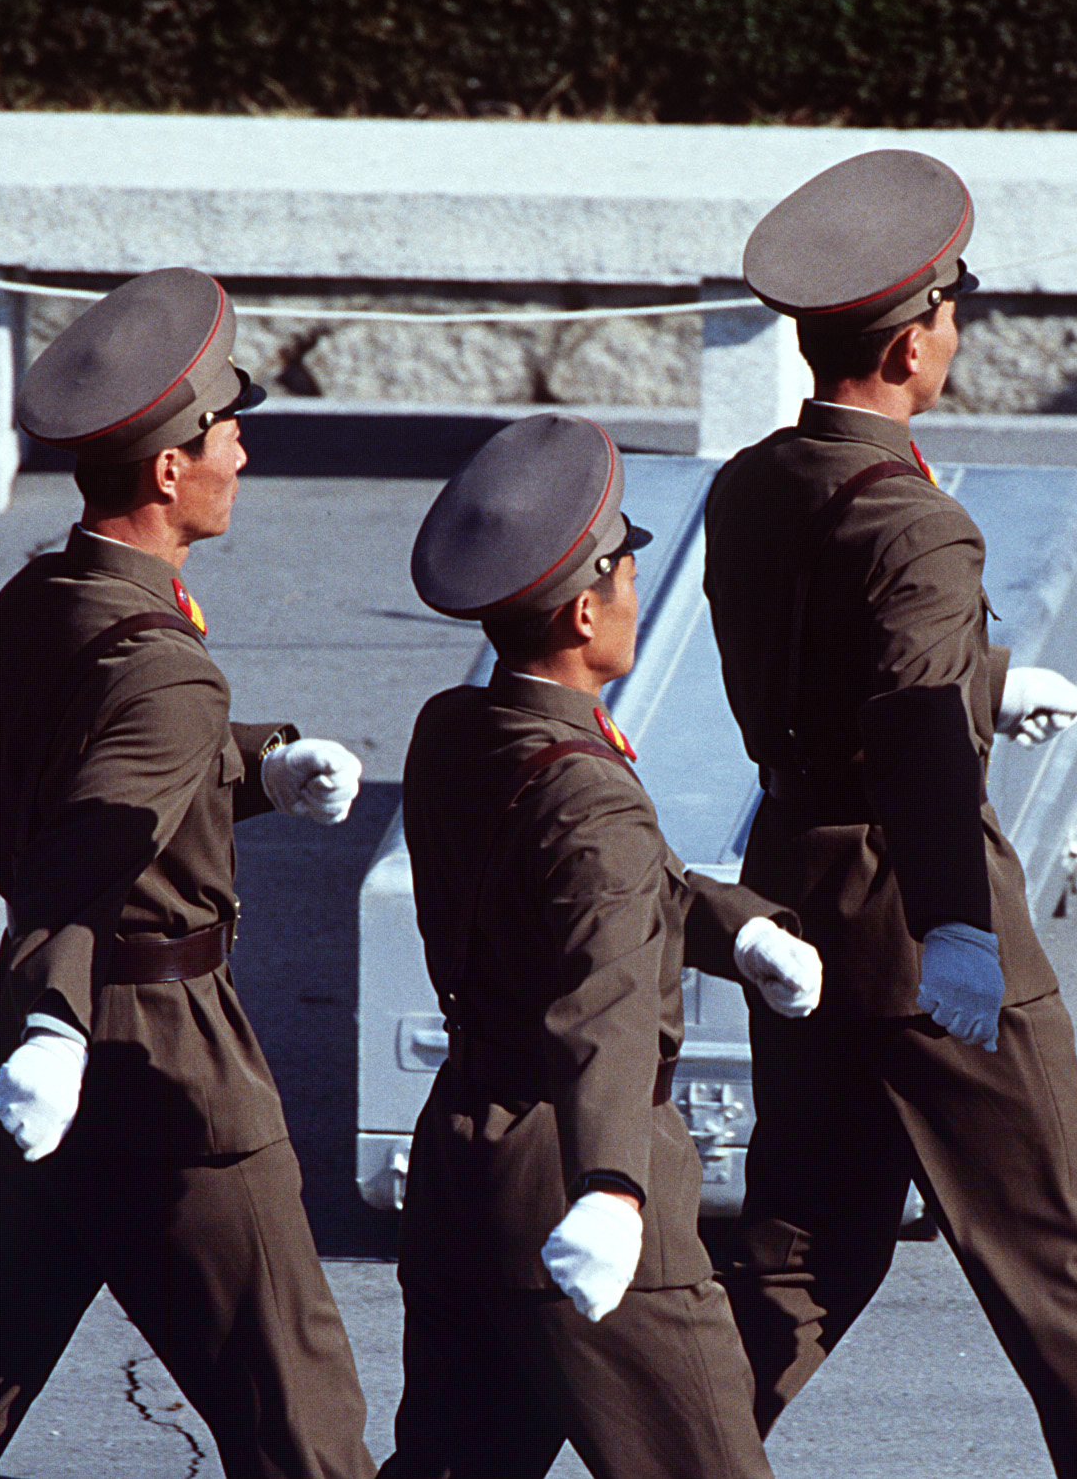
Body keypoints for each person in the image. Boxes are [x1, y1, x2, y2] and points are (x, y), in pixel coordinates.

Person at [0, 268, 376, 1479]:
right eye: (229, 428)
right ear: (172, 467)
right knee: (303, 1416)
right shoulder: (167, 668)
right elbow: (85, 851)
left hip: (44, 1051)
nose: (243, 449)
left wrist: (257, 765)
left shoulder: (44, 599)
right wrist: (56, 1018)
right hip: (157, 1061)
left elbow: (98, 762)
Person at [701, 149, 1077, 1476]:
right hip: (918, 903)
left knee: (802, 1246)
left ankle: (676, 1457)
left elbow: (822, 651)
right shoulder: (918, 526)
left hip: (796, 876)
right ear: (912, 339)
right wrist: (961, 924)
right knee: (1056, 1261)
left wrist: (989, 679)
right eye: (953, 308)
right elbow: (904, 722)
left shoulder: (752, 482)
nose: (957, 330)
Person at [384, 412, 825, 1479]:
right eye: (626, 567)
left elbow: (583, 890)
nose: (634, 583)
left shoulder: (455, 731)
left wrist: (737, 924)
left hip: (464, 1159)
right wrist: (616, 1185)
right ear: (588, 609)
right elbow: (609, 997)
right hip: (575, 1170)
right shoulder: (591, 792)